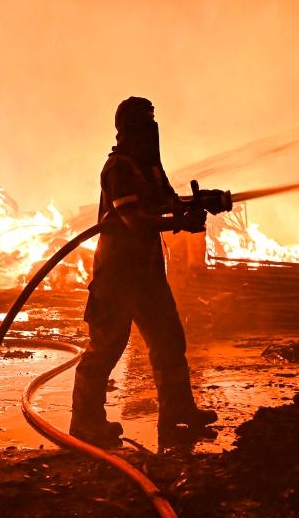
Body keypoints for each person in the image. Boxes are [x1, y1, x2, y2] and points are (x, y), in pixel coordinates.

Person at [70, 96, 218, 447]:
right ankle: (86, 424)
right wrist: (178, 222)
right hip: (117, 274)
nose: (151, 131)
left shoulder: (150, 166)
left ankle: (178, 412)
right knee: (106, 347)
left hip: (147, 273)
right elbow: (135, 220)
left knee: (169, 341)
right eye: (143, 124)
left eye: (153, 123)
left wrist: (200, 202)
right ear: (126, 130)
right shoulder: (119, 168)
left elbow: (167, 201)